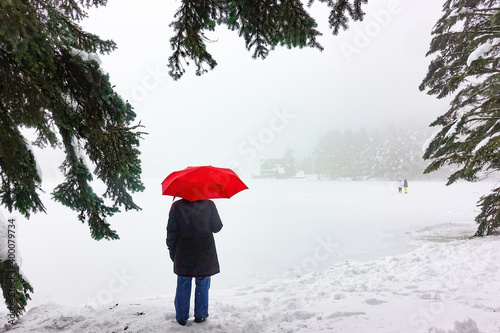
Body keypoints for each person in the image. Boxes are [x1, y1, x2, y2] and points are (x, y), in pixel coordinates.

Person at [166, 199, 223, 326]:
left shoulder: (177, 206)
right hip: (204, 252)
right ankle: (200, 315)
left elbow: (171, 231)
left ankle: (181, 317)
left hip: (183, 252)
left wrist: (172, 251)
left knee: (183, 283)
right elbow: (217, 227)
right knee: (203, 283)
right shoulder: (209, 204)